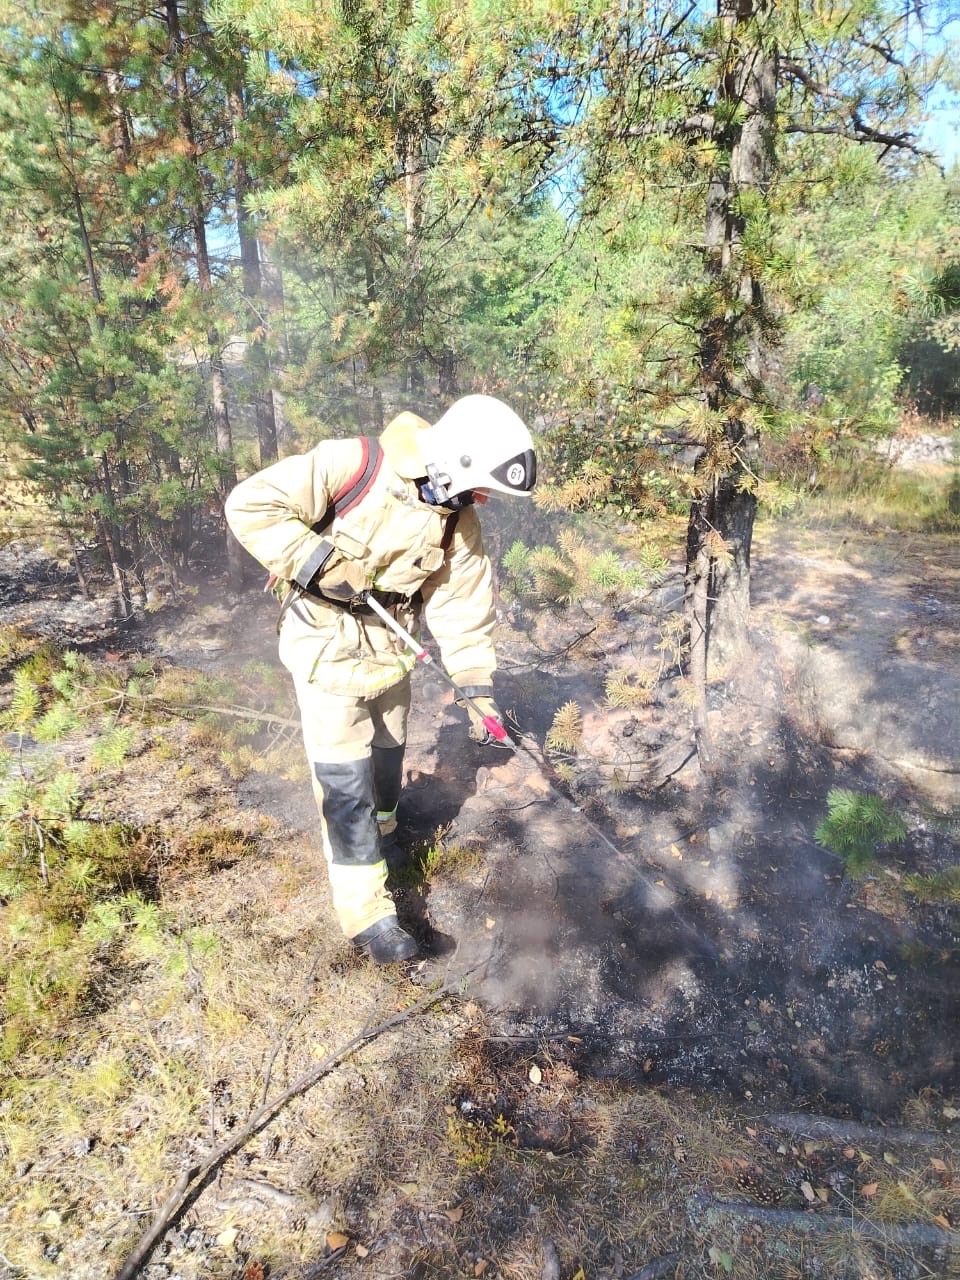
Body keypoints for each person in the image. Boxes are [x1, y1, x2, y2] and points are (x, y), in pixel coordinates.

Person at [224, 395, 537, 966]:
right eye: (484, 485)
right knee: (346, 784)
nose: (486, 500)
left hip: (393, 653)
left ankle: (385, 838)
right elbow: (250, 504)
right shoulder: (353, 465)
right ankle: (366, 913)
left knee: (388, 757)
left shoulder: (458, 522)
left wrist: (475, 686)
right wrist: (316, 561)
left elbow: (462, 608)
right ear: (456, 463)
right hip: (326, 652)